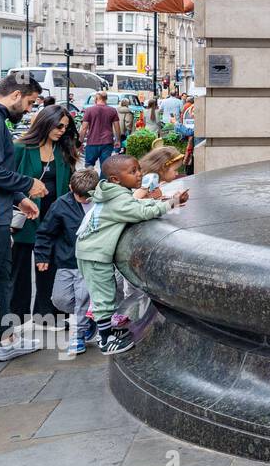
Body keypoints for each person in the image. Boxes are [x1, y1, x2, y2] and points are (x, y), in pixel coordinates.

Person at [75, 154, 188, 355]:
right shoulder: (117, 198)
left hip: (93, 251)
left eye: (138, 169)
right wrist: (171, 203)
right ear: (115, 179)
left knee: (107, 292)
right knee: (104, 296)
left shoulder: (115, 194)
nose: (139, 174)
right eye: (133, 171)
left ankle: (108, 331)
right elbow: (141, 213)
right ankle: (105, 339)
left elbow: (137, 206)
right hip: (94, 254)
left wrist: (167, 201)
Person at [0, 72, 46, 361]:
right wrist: (28, 184)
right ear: (16, 95)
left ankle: (5, 341)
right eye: (29, 102)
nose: (29, 109)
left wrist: (19, 198)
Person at [10, 105, 80, 331]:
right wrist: (21, 198)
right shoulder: (21, 146)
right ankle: (14, 319)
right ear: (45, 122)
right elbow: (6, 178)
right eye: (58, 126)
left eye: (66, 127)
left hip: (53, 218)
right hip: (24, 215)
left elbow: (69, 183)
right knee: (19, 269)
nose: (62, 131)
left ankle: (47, 315)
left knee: (48, 266)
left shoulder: (63, 149)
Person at [37, 168, 99, 355]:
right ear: (70, 187)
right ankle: (91, 316)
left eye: (88, 196)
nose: (84, 200)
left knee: (82, 298)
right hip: (66, 261)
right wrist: (42, 255)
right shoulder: (60, 205)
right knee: (60, 300)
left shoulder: (103, 203)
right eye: (79, 196)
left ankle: (77, 336)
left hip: (90, 262)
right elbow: (46, 232)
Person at [80, 91, 121, 169]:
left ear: (96, 98)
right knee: (105, 166)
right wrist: (118, 140)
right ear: (106, 99)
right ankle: (102, 181)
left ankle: (91, 178)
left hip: (92, 142)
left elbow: (84, 128)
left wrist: (80, 142)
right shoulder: (112, 110)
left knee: (89, 164)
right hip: (107, 142)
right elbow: (117, 127)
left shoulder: (89, 110)